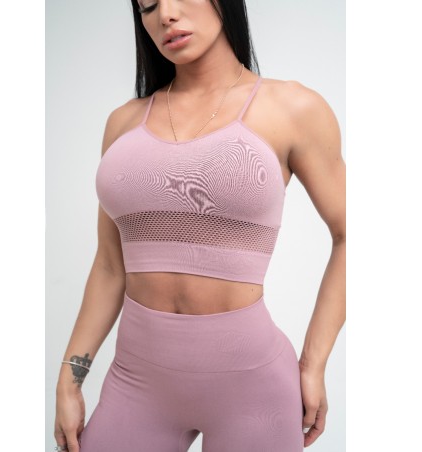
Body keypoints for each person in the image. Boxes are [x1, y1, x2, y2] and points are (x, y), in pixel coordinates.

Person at [54, 0, 346, 451]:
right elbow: (111, 265)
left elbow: (353, 236)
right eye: (147, 6)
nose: (165, 15)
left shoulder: (292, 108)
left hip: (253, 388)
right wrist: (70, 377)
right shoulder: (124, 123)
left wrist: (313, 364)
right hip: (136, 383)